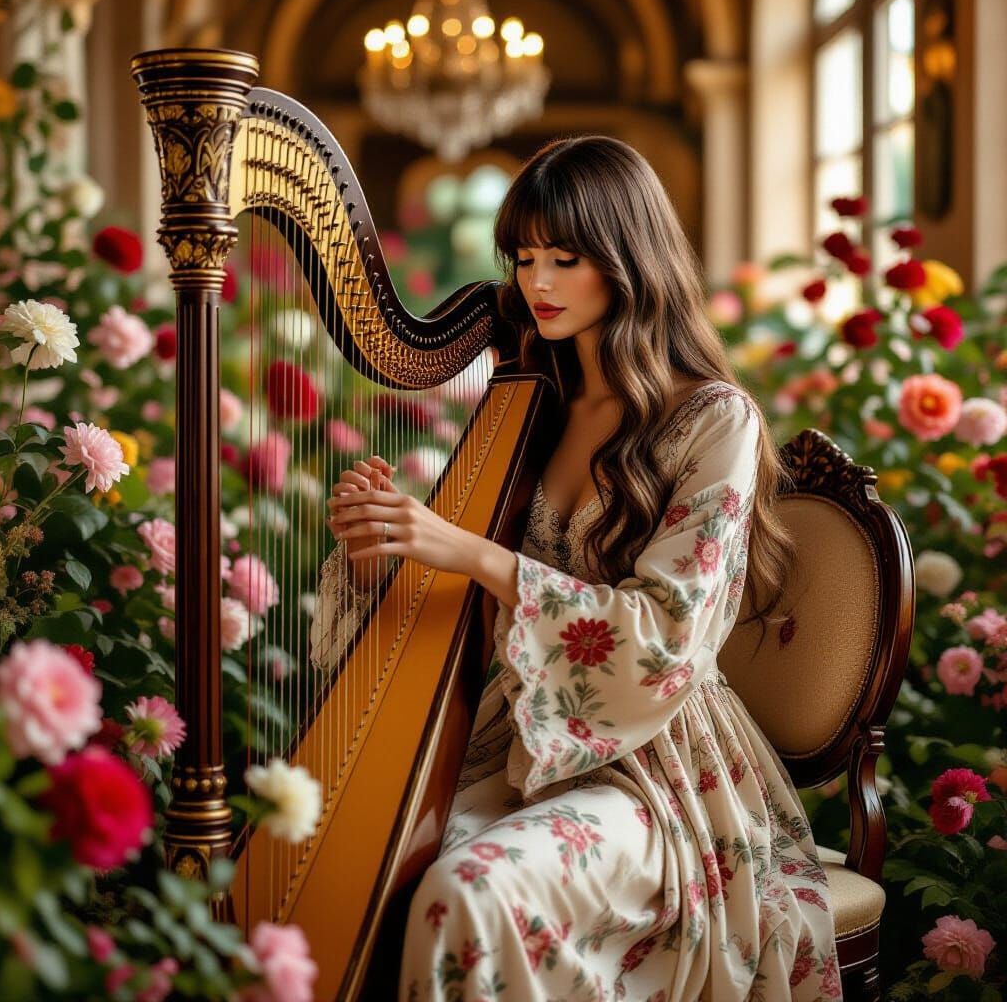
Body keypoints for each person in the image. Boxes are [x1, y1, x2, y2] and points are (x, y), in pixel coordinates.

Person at [317, 136, 842, 1000]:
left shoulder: (715, 421)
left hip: (654, 765)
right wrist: (380, 554)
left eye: (566, 257)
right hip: (515, 739)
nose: (537, 283)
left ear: (630, 260)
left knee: (466, 890)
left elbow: (667, 639)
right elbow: (470, 611)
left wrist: (465, 550)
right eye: (524, 258)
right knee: (354, 862)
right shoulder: (533, 404)